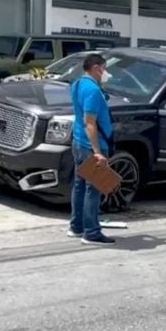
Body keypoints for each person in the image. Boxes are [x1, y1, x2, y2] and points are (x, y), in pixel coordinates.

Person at [68, 53, 117, 245]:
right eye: (104, 69)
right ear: (97, 68)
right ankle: (92, 232)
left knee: (80, 186)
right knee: (94, 189)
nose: (106, 73)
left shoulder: (78, 84)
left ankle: (77, 226)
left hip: (79, 143)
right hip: (91, 146)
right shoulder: (93, 91)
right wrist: (97, 152)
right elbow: (90, 122)